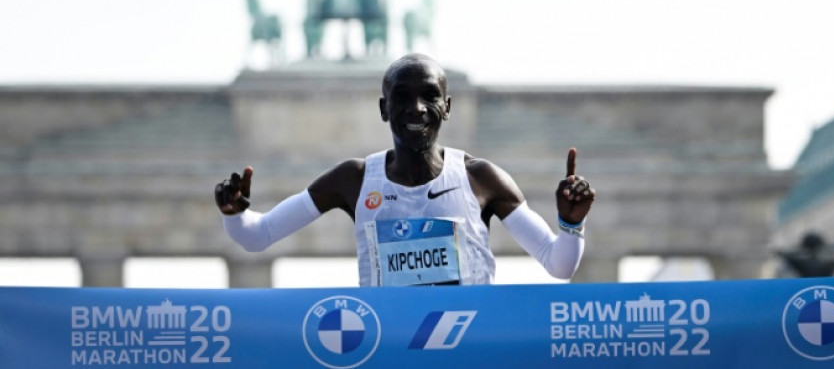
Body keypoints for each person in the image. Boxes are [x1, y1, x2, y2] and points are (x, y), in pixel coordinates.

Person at [215, 53, 595, 286]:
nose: (416, 108)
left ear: (446, 107)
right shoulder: (353, 179)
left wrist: (571, 224)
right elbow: (258, 236)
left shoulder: (481, 178)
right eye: (402, 97)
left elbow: (559, 264)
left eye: (429, 96)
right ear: (384, 109)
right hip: (389, 352)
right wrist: (235, 214)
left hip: (468, 352)